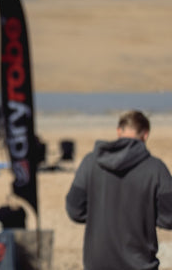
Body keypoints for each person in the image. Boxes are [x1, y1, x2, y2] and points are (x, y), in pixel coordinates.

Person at [65, 110, 172, 270]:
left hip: (97, 264)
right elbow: (169, 217)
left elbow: (74, 209)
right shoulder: (156, 168)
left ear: (119, 131)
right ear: (145, 135)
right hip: (140, 264)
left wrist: (101, 214)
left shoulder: (90, 162)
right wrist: (145, 216)